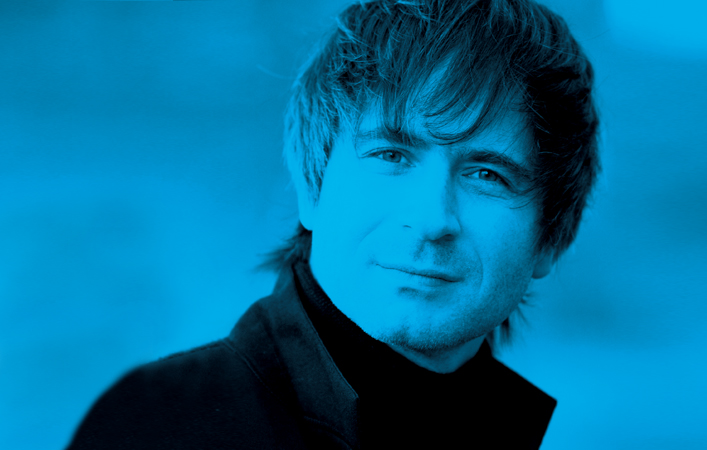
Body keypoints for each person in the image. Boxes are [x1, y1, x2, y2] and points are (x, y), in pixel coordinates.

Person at [68, 0, 599, 448]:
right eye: (391, 155)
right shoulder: (153, 428)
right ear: (312, 188)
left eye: (487, 175)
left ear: (550, 239)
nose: (432, 219)